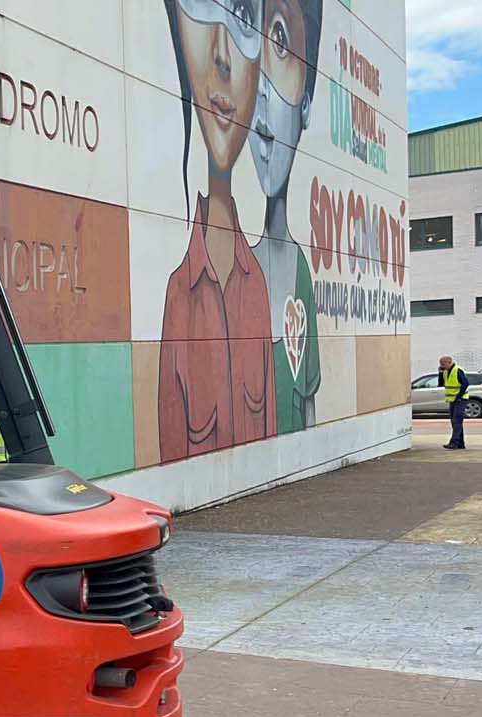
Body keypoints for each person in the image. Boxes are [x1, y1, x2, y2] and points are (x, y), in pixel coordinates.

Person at [158, 0, 275, 462]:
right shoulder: (177, 295)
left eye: (244, 16)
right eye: (204, 7)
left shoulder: (257, 286)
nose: (223, 54)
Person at [249, 0, 323, 435]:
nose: (259, 89)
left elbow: (309, 402)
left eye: (279, 40)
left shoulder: (300, 272)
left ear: (307, 103)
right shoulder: (228, 271)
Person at [439, 355, 468, 450]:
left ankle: (454, 442)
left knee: (456, 421)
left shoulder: (457, 370)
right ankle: (460, 443)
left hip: (460, 399)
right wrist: (440, 373)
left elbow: (465, 383)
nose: (441, 365)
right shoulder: (445, 371)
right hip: (452, 400)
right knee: (455, 421)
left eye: (442, 364)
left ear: (448, 362)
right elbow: (441, 384)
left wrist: (459, 397)